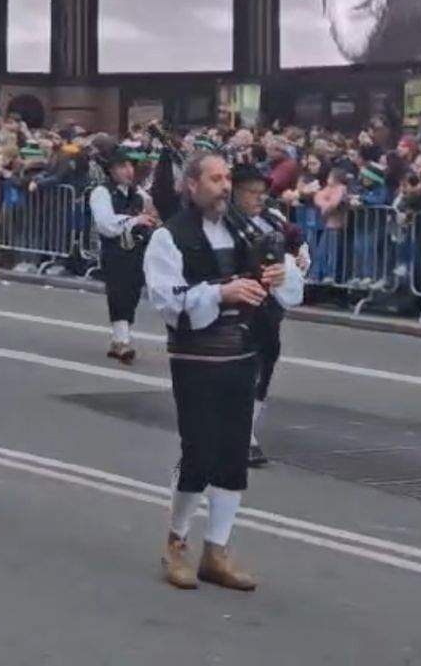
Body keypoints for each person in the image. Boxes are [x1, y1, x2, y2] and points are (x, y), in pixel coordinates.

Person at [144, 151, 301, 592]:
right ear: (191, 185)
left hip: (243, 351)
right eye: (214, 178)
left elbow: (289, 289)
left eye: (227, 178)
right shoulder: (170, 237)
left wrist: (276, 274)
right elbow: (167, 301)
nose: (224, 186)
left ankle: (217, 549)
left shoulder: (246, 229)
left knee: (233, 453)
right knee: (199, 450)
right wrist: (222, 292)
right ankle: (176, 542)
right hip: (197, 356)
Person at [231, 164, 309, 469]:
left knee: (267, 358)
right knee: (238, 365)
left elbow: (294, 239)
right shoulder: (223, 222)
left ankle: (247, 429)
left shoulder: (271, 218)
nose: (259, 198)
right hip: (237, 299)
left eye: (262, 191)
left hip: (269, 302)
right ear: (235, 192)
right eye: (252, 191)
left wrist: (301, 254)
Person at [90, 145, 158, 365]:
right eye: (122, 166)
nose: (128, 170)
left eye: (130, 165)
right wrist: (134, 221)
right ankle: (122, 341)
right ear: (111, 170)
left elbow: (152, 209)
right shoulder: (101, 192)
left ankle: (121, 337)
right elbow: (105, 224)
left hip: (137, 249)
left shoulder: (137, 193)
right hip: (114, 249)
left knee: (132, 292)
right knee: (118, 291)